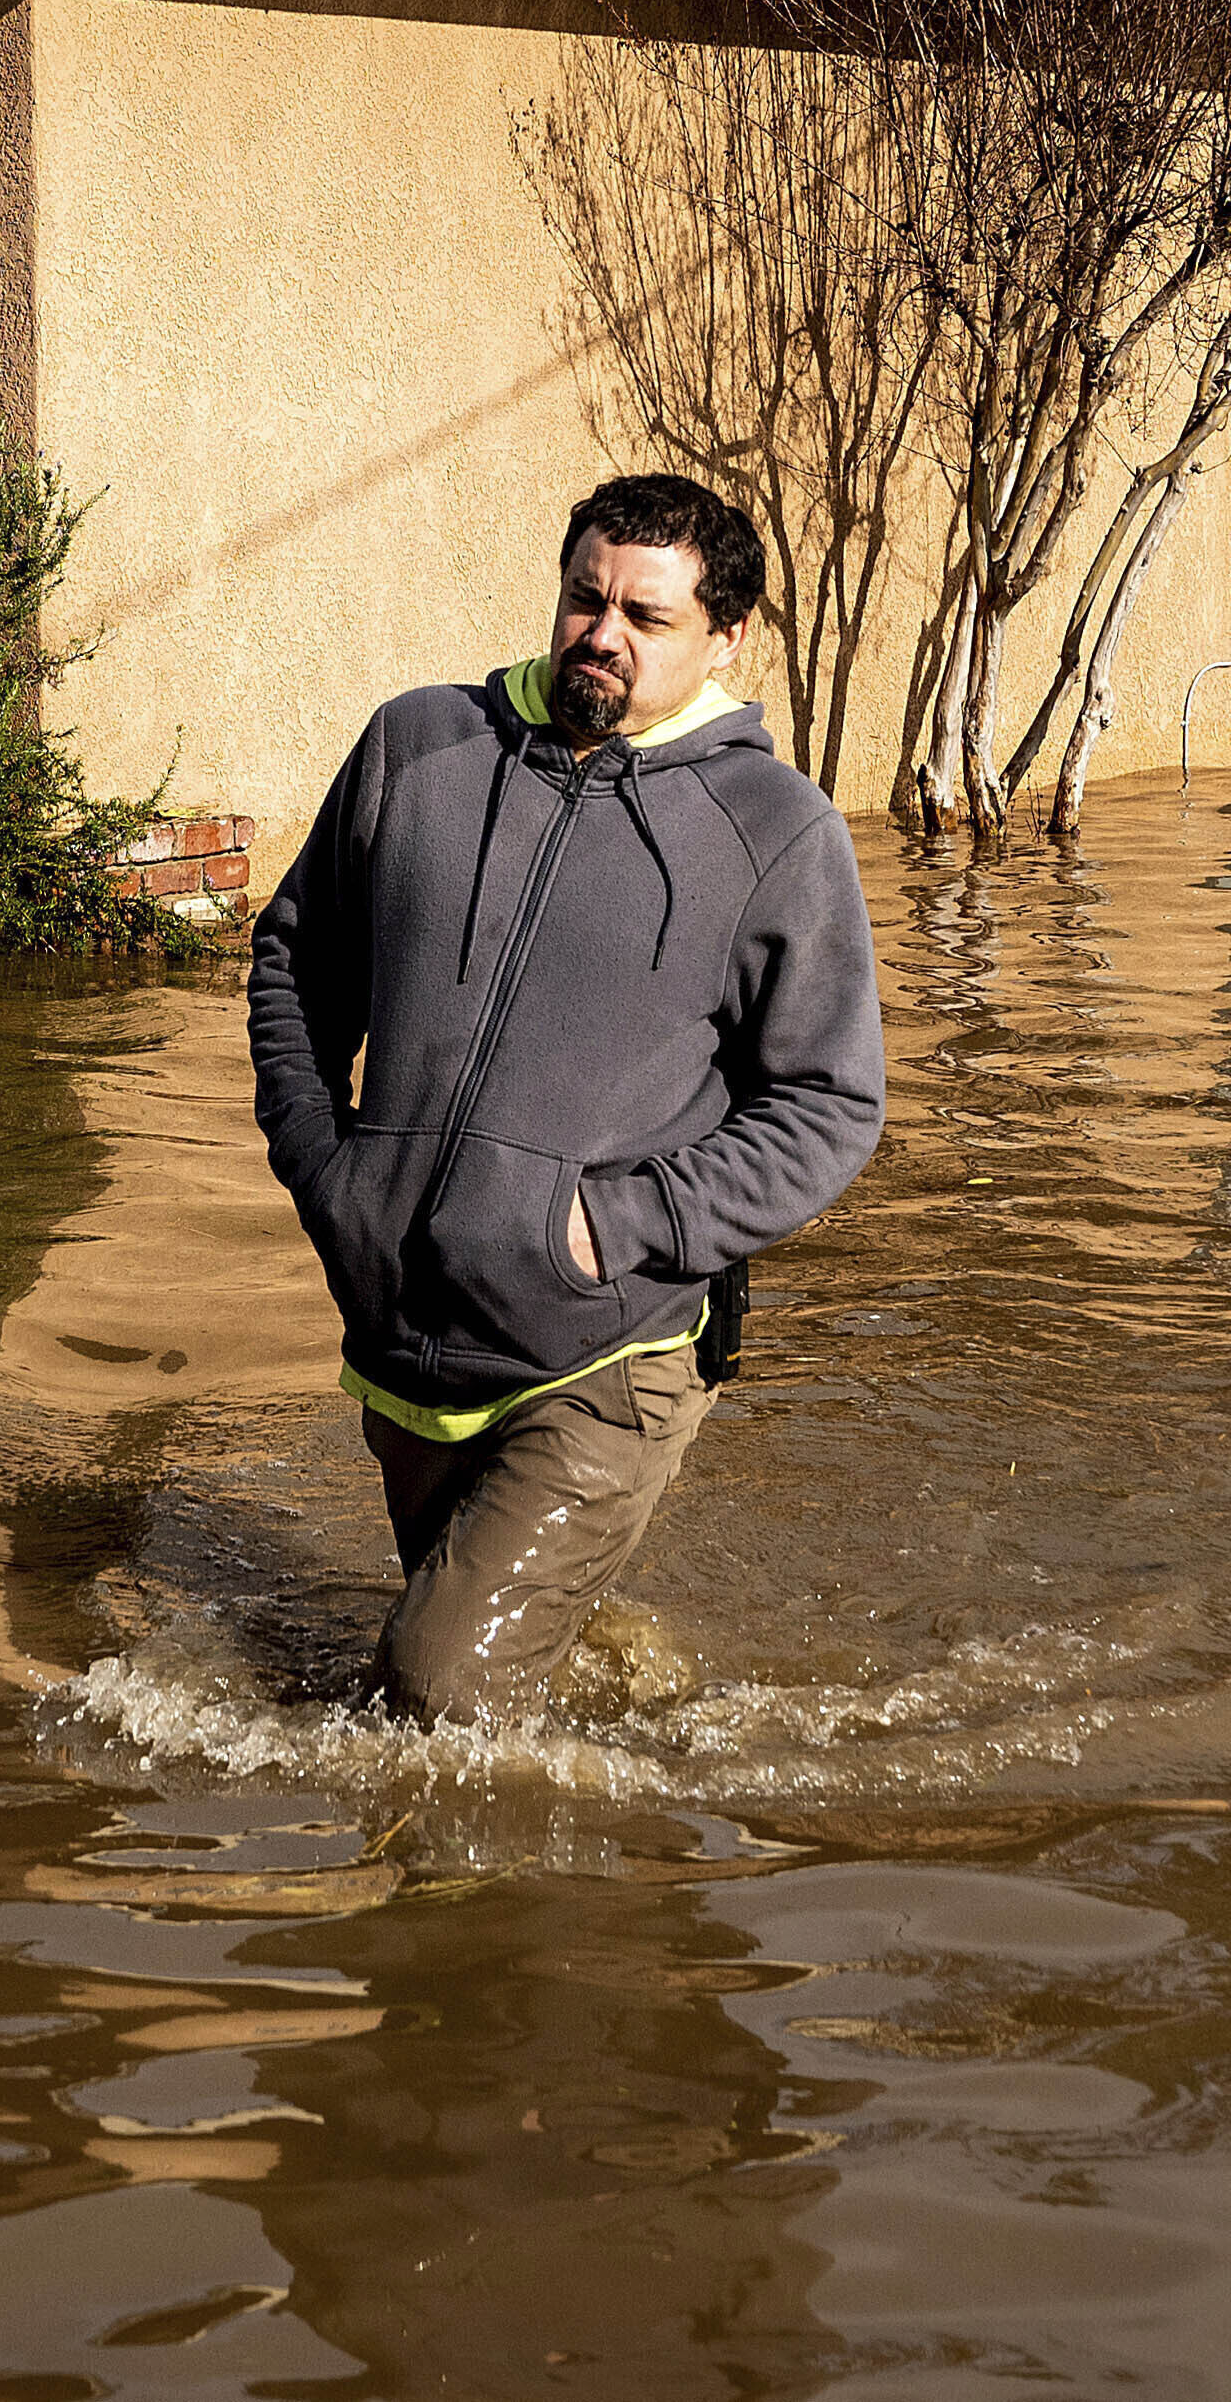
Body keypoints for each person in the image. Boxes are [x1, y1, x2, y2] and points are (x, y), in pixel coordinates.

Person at [244, 472, 887, 1725]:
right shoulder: (417, 744)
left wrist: (617, 1227)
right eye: (587, 598)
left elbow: (827, 1104)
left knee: (435, 1688)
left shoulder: (776, 829)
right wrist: (328, 1171)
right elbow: (294, 960)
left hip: (610, 1339)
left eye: (647, 616)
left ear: (725, 636)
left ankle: (485, 1912)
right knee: (460, 1650)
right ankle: (611, 1706)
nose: (604, 632)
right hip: (403, 1329)